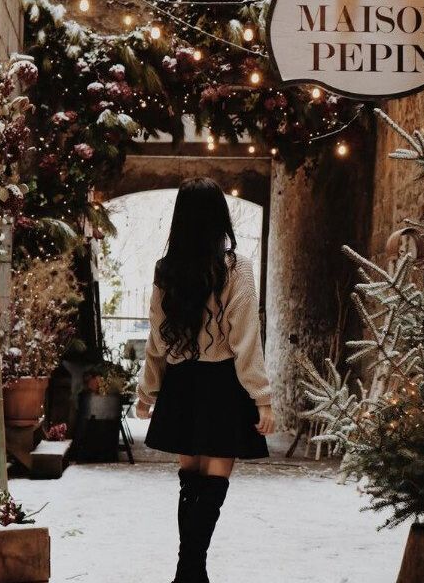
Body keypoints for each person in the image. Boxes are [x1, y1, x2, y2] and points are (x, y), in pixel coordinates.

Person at [134, 177, 275, 583]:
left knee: (190, 481)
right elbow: (246, 339)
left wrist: (148, 393)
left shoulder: (167, 271)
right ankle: (191, 570)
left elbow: (157, 338)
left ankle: (188, 569)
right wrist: (262, 398)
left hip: (181, 385)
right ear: (220, 218)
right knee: (213, 483)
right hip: (222, 386)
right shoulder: (237, 269)